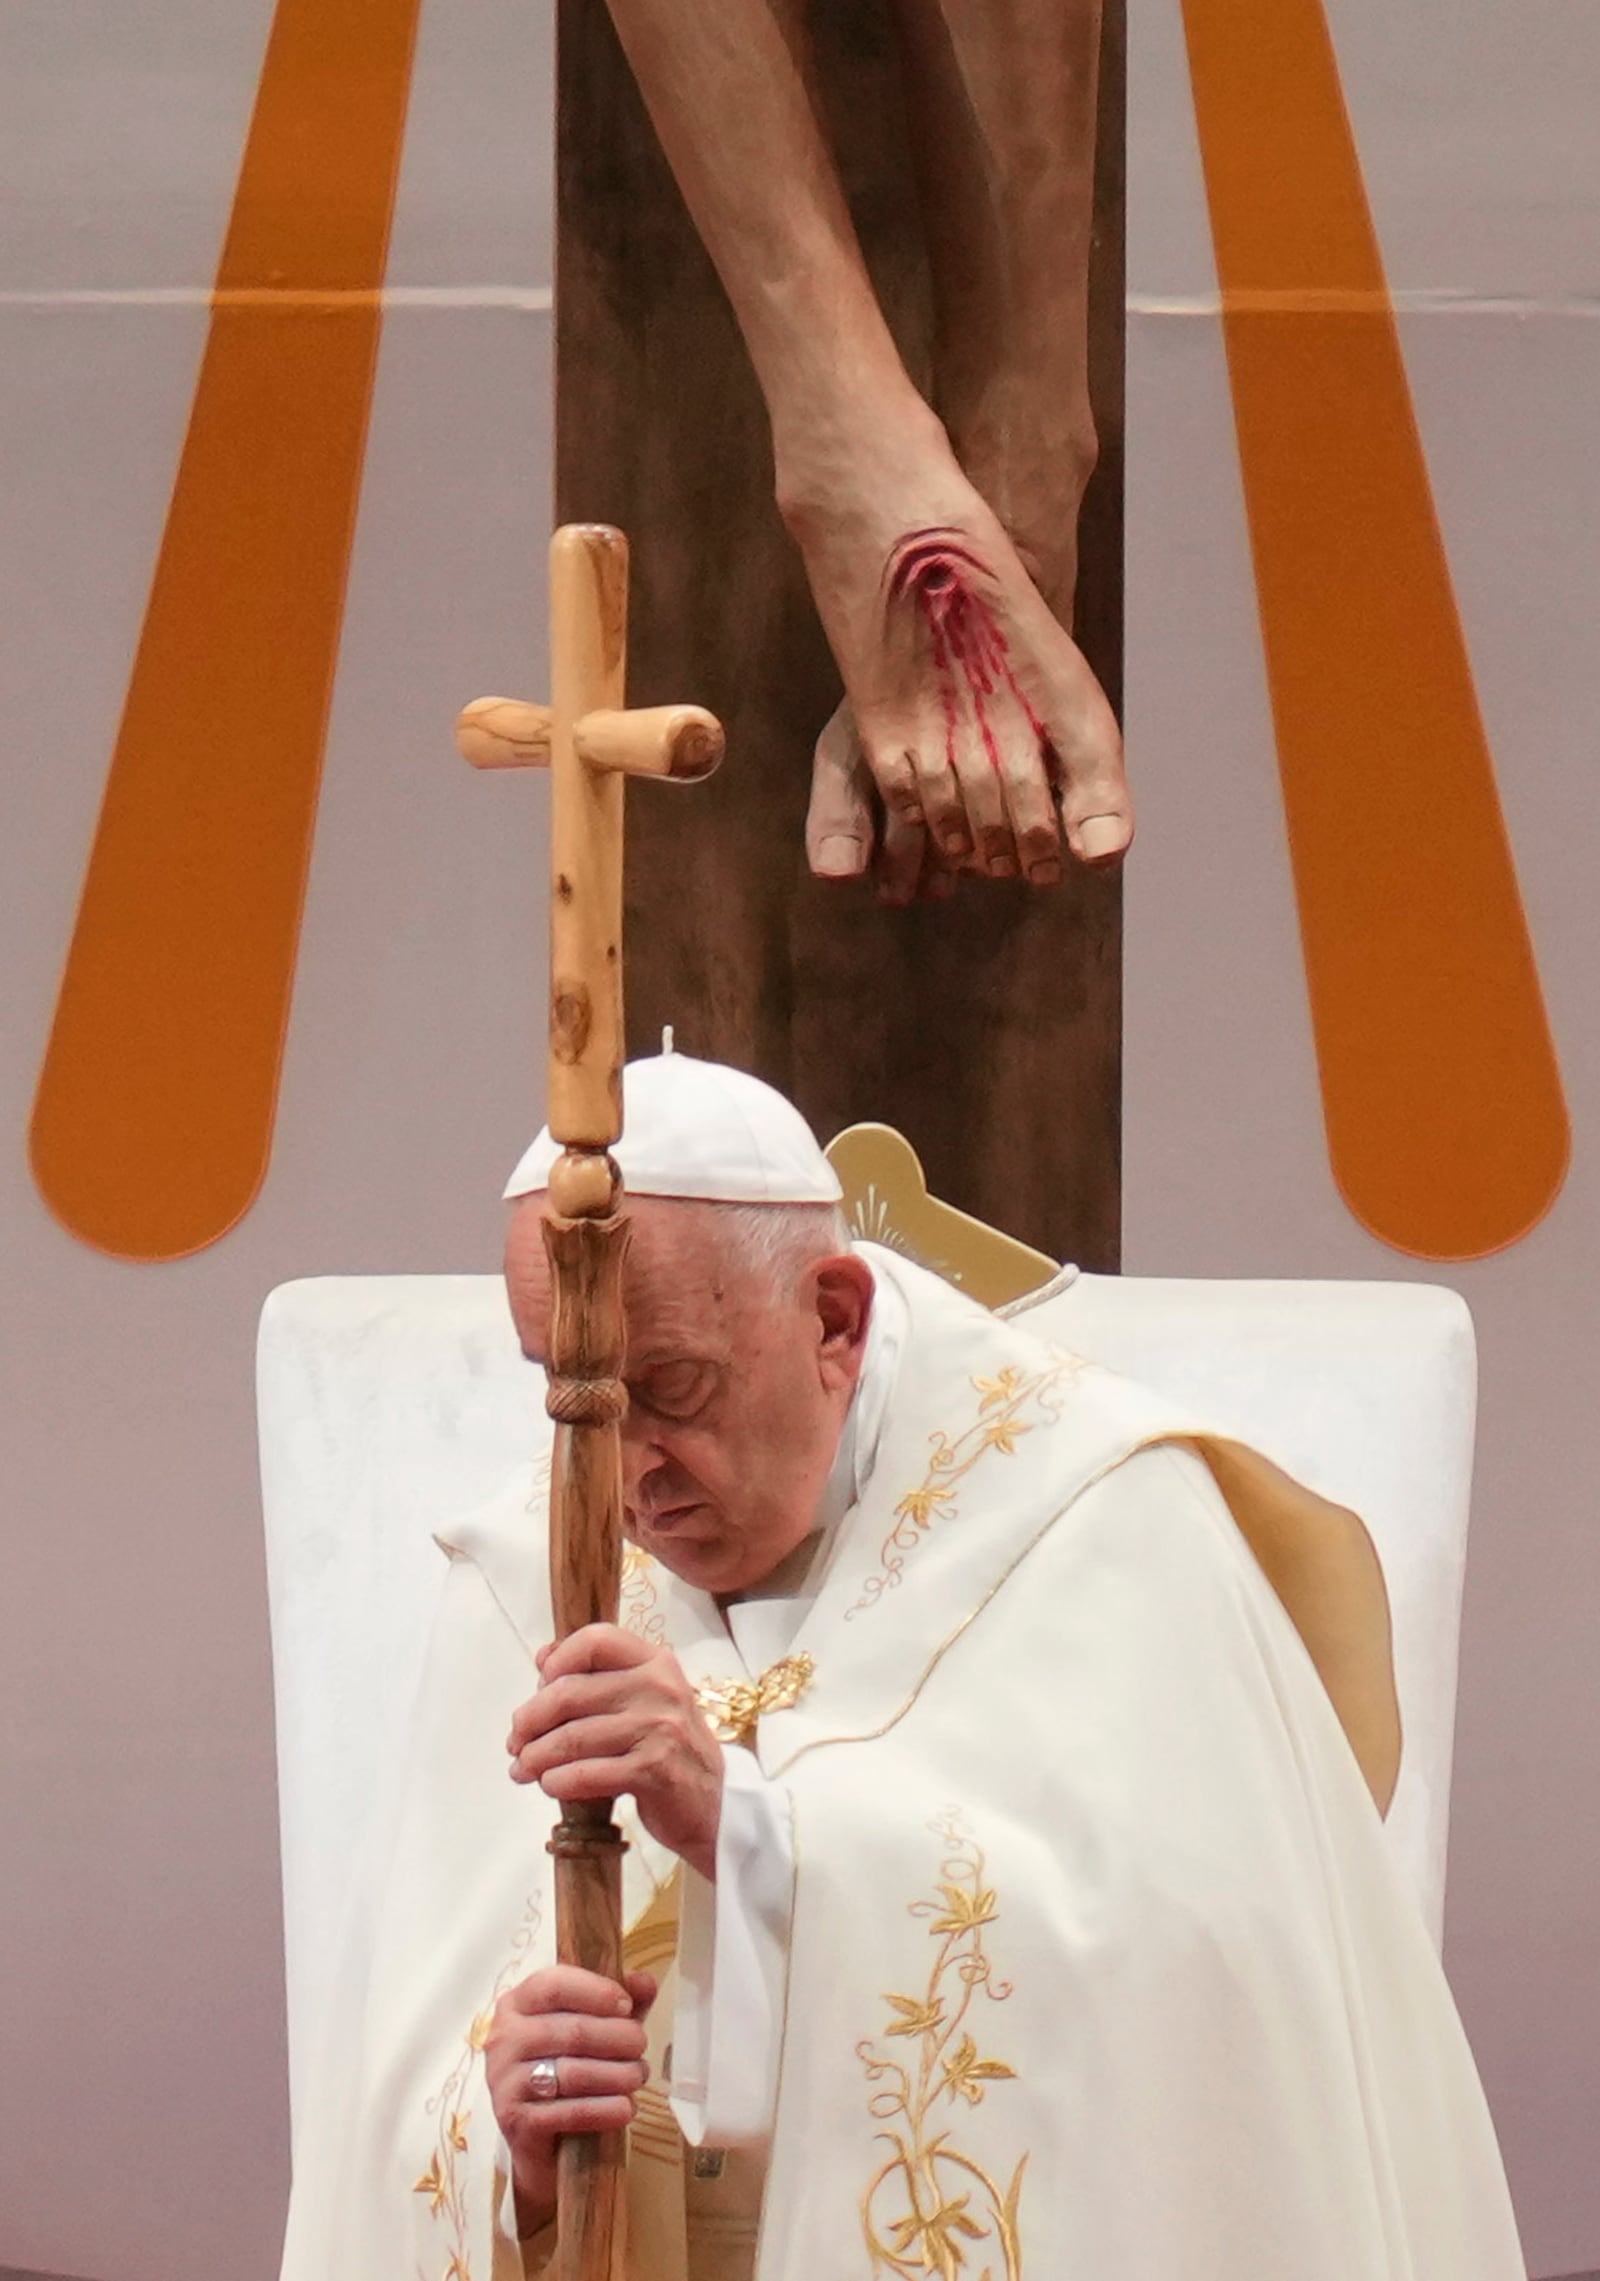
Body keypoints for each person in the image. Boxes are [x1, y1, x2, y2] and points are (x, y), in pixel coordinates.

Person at [278, 1052, 1524, 2280]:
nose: (625, 1472)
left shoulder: (1103, 1519)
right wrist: (516, 2155)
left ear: (834, 1317)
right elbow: (386, 2115)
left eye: (671, 1386)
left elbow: (1204, 2006)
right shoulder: (527, 1573)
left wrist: (754, 1838)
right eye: (572, 1397)